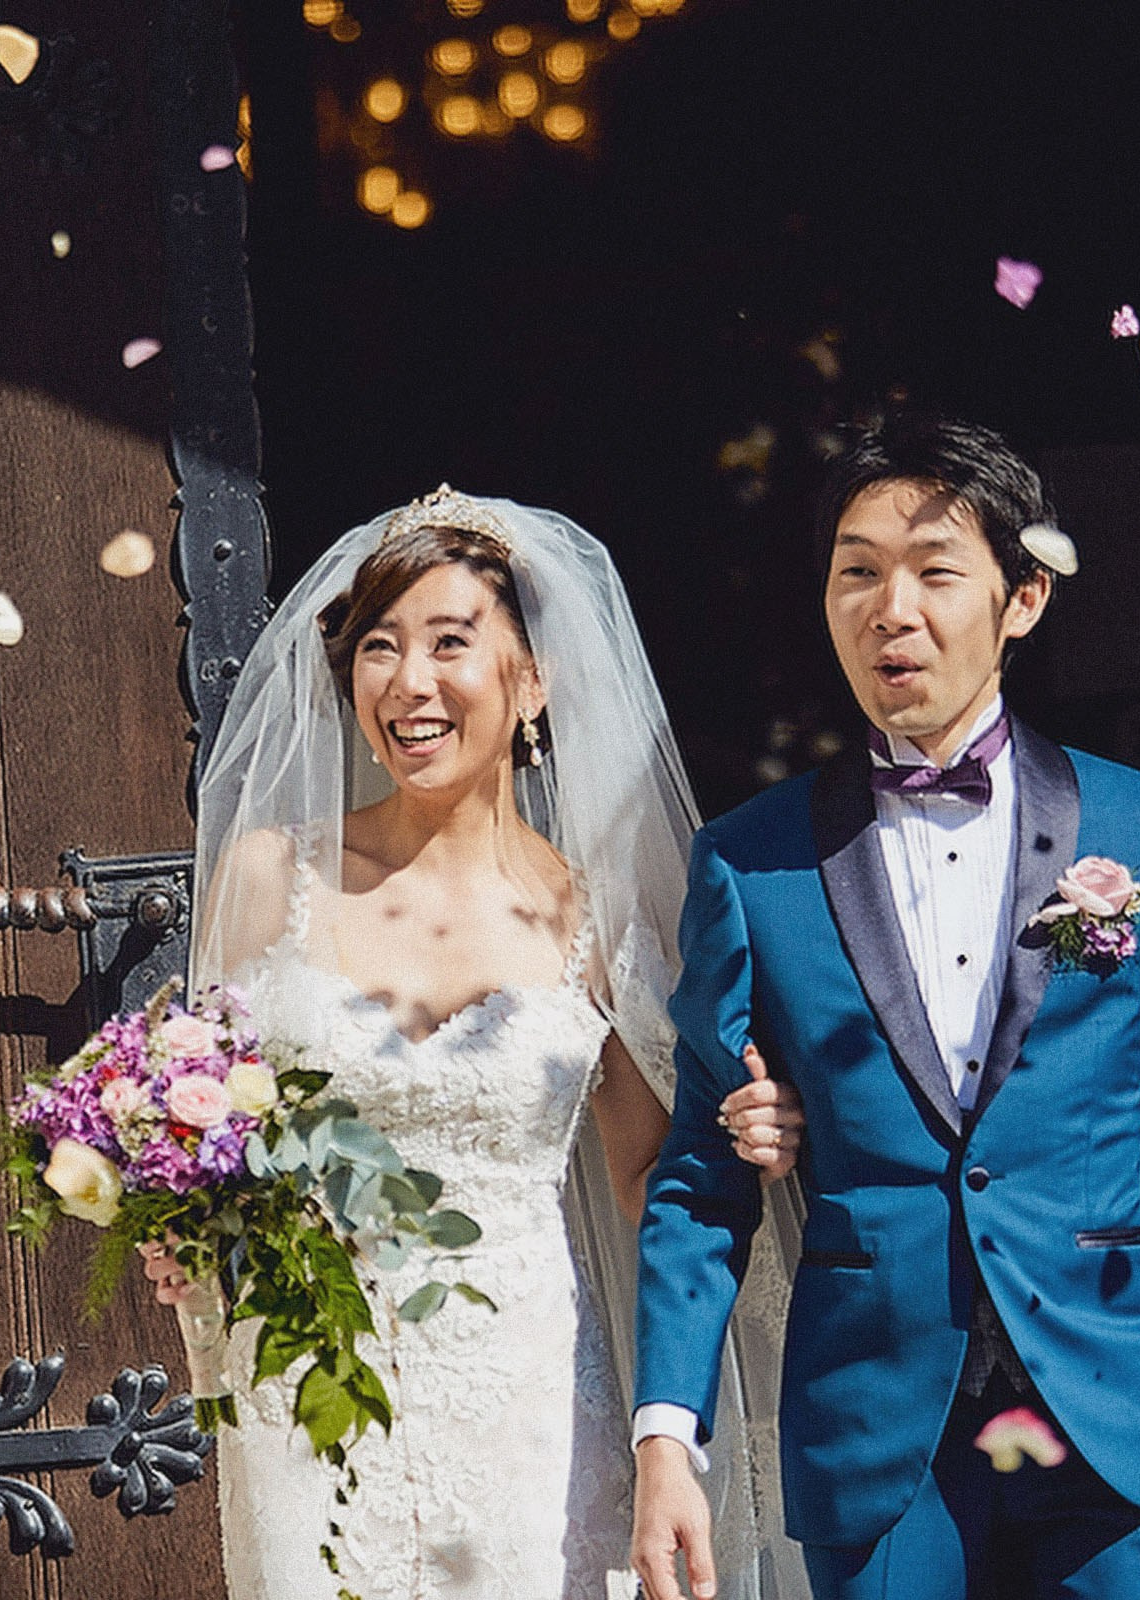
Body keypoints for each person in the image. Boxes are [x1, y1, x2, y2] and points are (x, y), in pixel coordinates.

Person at [629, 416, 1140, 1600]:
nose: (891, 608)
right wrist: (667, 1435)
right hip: (877, 1437)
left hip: (1117, 1410)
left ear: (1022, 597)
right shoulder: (749, 864)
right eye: (858, 572)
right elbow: (698, 1179)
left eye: (934, 570)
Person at [150, 487, 810, 1600]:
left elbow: (654, 1176)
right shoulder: (271, 874)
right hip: (308, 1390)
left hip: (532, 1404)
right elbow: (203, 1131)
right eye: (379, 648)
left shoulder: (592, 916)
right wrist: (179, 1218)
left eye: (450, 643)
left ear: (535, 677)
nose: (409, 683)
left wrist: (758, 1137)